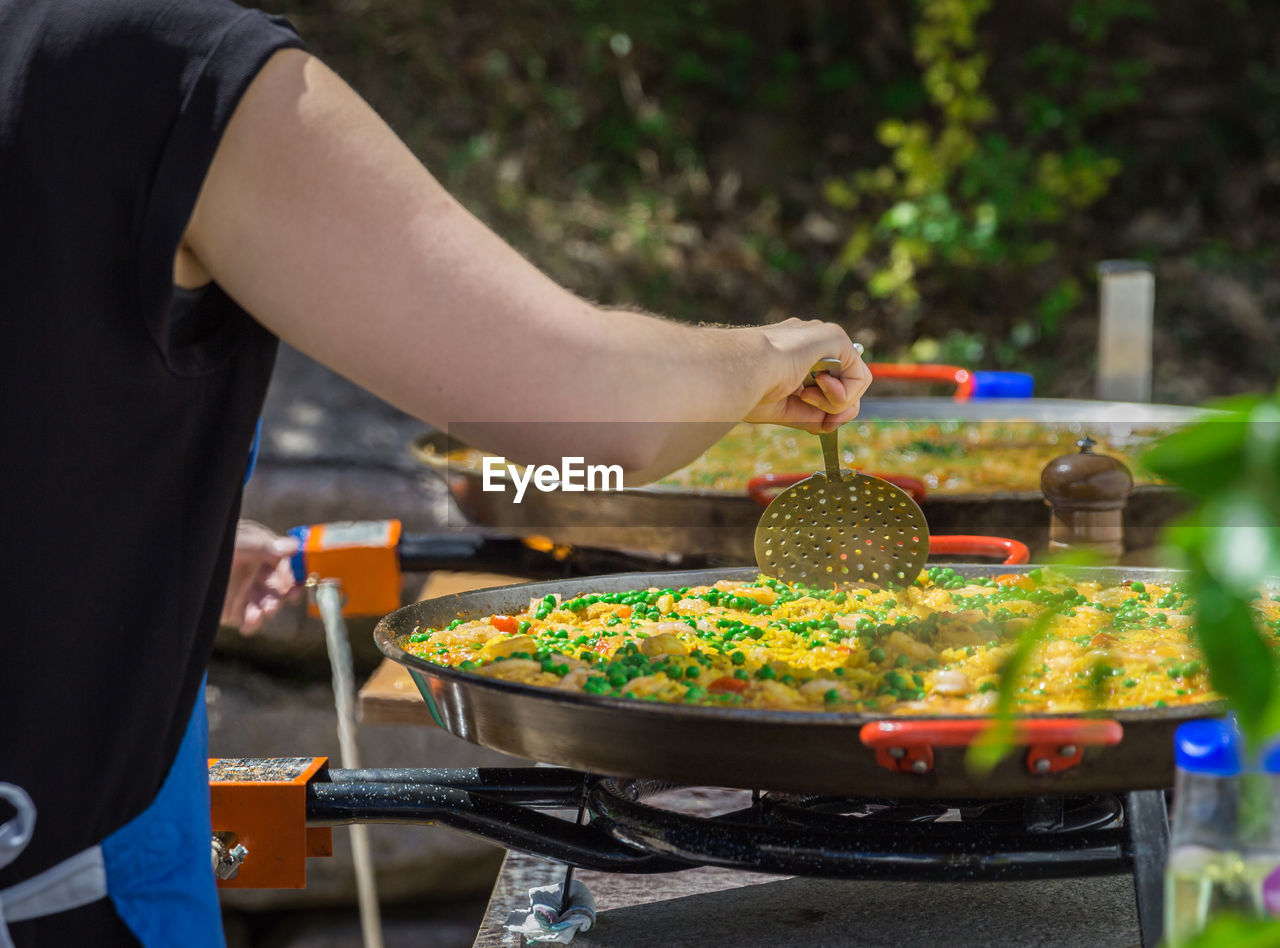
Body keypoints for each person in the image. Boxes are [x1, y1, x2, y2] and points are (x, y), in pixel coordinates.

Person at [0, 1, 871, 945]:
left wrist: (164, 547)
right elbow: (586, 406)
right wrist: (775, 351)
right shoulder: (156, 62)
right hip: (55, 864)